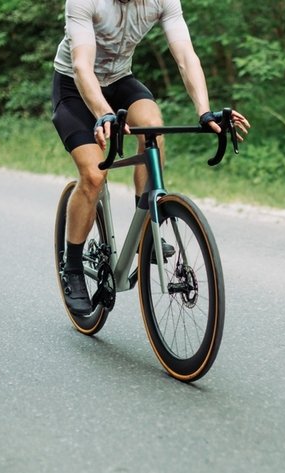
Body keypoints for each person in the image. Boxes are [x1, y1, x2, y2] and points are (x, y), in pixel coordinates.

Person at [51, 0, 250, 316]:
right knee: (93, 175)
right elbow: (81, 66)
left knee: (153, 131)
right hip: (75, 88)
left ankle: (146, 228)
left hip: (119, 81)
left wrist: (204, 110)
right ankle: (73, 267)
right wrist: (103, 114)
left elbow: (185, 56)